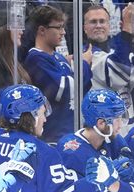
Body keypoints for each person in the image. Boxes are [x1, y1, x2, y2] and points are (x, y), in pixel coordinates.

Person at [24, 5, 92, 143]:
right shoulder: (36, 58)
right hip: (52, 137)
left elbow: (83, 89)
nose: (63, 32)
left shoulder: (59, 57)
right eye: (58, 27)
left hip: (70, 132)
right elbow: (64, 90)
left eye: (63, 27)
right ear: (42, 30)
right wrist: (83, 64)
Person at [84, 2, 134, 126]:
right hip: (102, 127)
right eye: (93, 22)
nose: (98, 25)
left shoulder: (118, 51)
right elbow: (117, 76)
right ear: (84, 28)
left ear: (109, 25)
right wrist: (127, 29)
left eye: (102, 21)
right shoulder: (83, 56)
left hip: (127, 124)